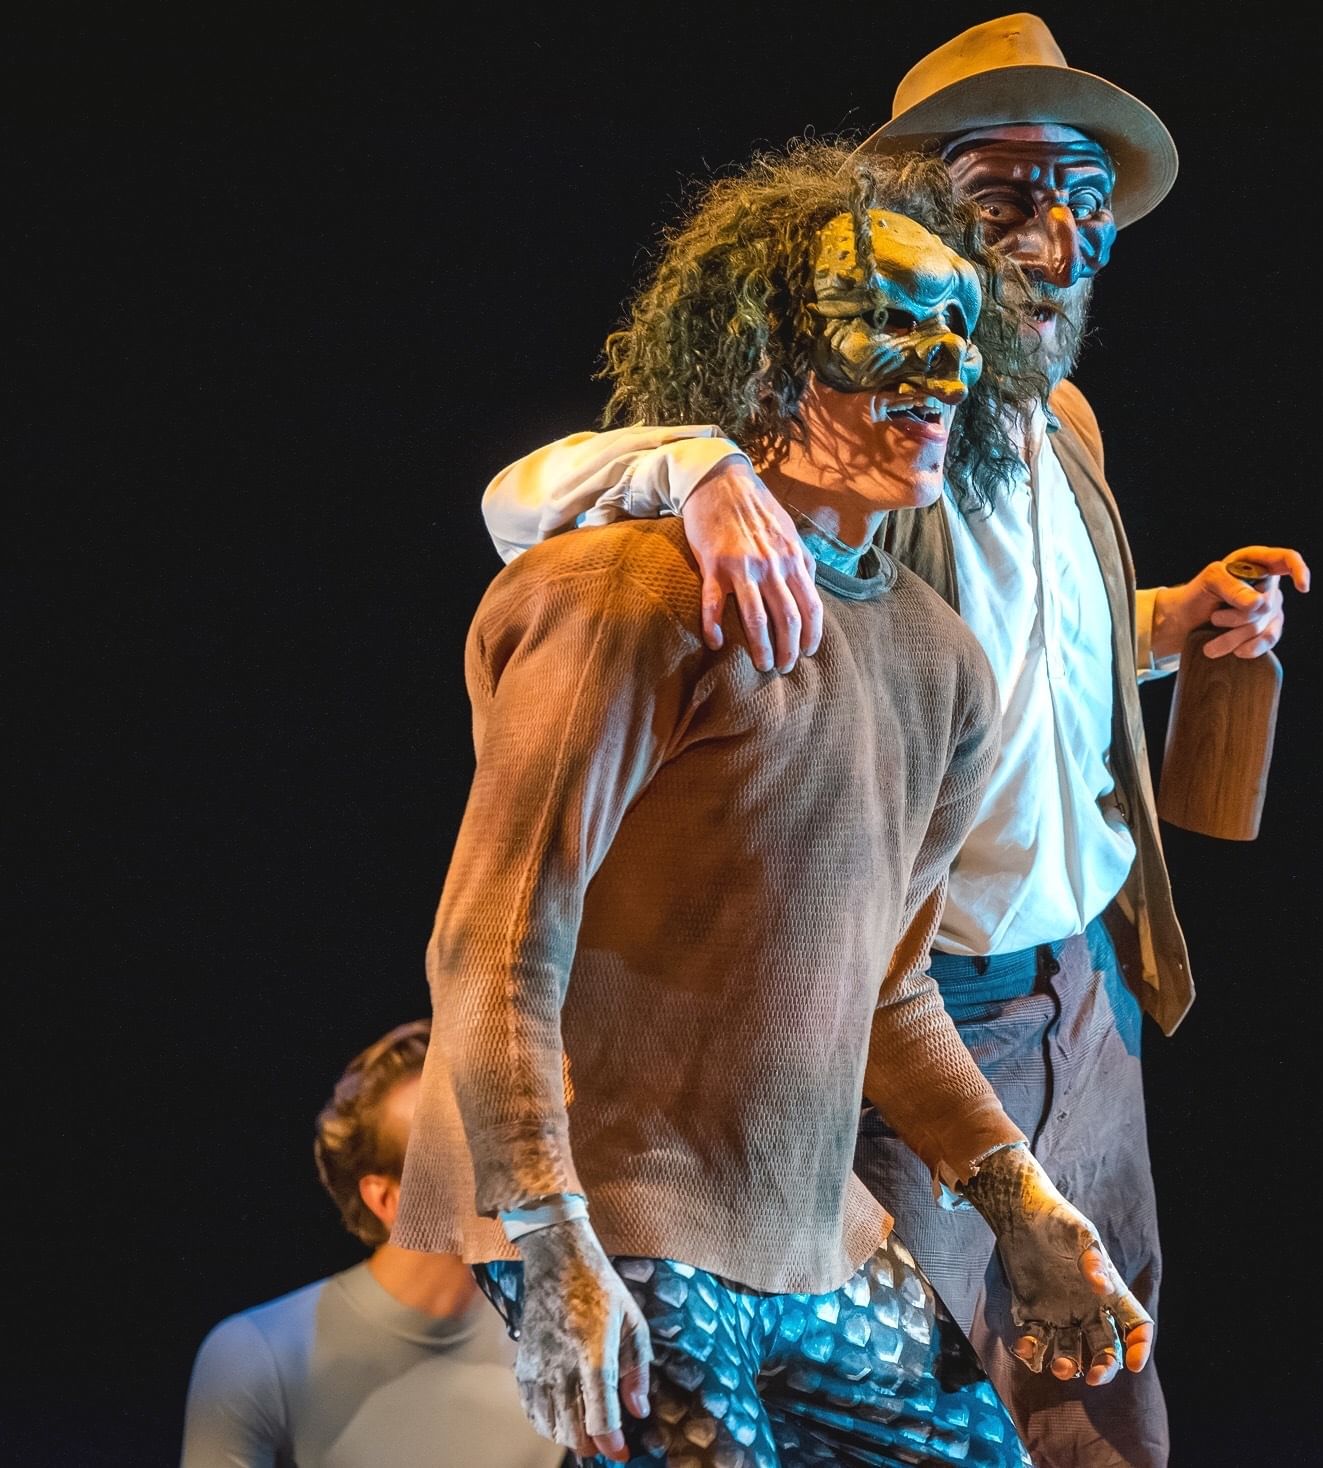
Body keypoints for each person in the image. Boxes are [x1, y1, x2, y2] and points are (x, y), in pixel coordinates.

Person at [473, 15, 1307, 1465]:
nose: (1054, 239)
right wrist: (693, 465)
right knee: (905, 1395)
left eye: (1085, 204)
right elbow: (523, 508)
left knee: (1100, 1375)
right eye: (1007, 198)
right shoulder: (846, 443)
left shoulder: (1069, 431)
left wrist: (1178, 625)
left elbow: (1042, 653)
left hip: (1078, 990)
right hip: (895, 1008)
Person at [393, 141, 1152, 1468]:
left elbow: (891, 989)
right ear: (766, 358)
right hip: (619, 1213)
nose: (940, 371)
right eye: (888, 329)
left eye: (958, 331)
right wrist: (552, 1235)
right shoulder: (624, 593)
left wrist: (1023, 1208)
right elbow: (495, 937)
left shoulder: (933, 656)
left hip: (809, 1228)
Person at [181, 1019, 567, 1468]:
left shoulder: (569, 1342)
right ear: (387, 1199)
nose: (506, 1163)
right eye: (457, 1146)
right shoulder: (257, 1357)